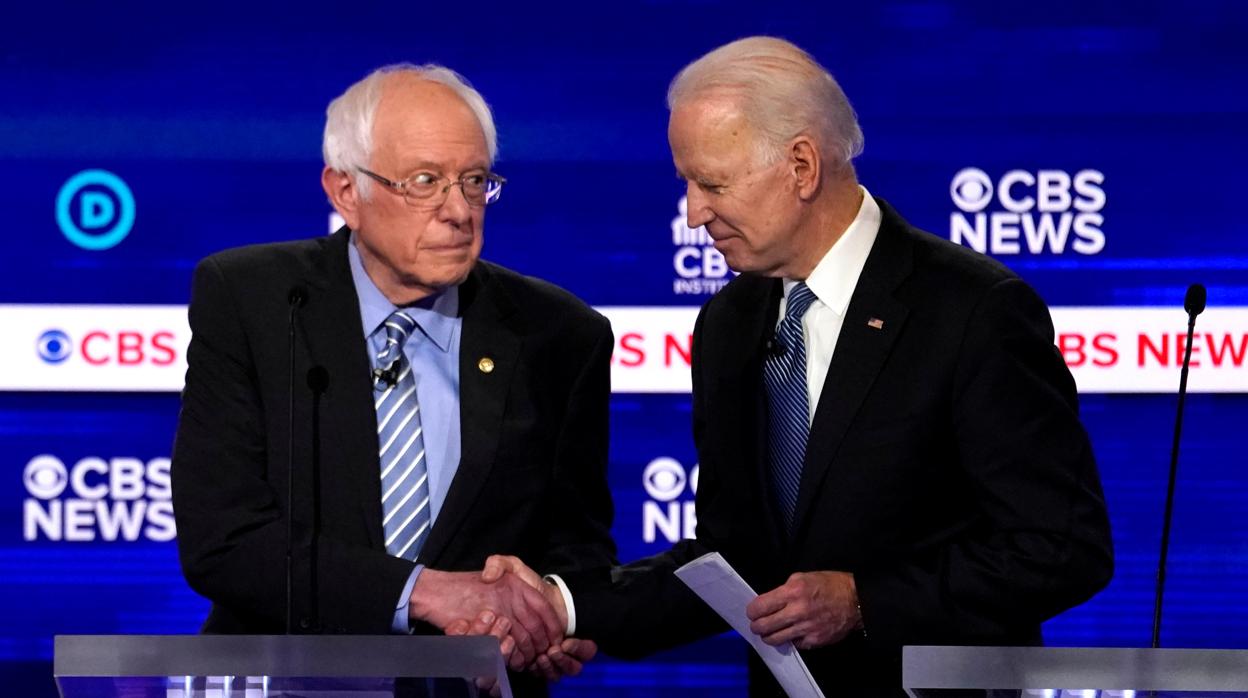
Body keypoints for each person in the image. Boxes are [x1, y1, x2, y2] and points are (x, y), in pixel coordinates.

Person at [484, 36, 1114, 696]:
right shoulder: (730, 323)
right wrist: (566, 607)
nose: (694, 213)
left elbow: (1061, 549)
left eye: (713, 184)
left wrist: (864, 601)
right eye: (688, 185)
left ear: (803, 167)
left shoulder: (971, 313)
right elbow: (736, 561)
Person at [171, 63, 613, 694]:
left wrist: (549, 616)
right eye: (426, 182)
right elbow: (224, 538)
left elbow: (580, 545)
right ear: (346, 191)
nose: (459, 211)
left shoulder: (559, 335)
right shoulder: (254, 302)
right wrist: (425, 593)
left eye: (475, 181)